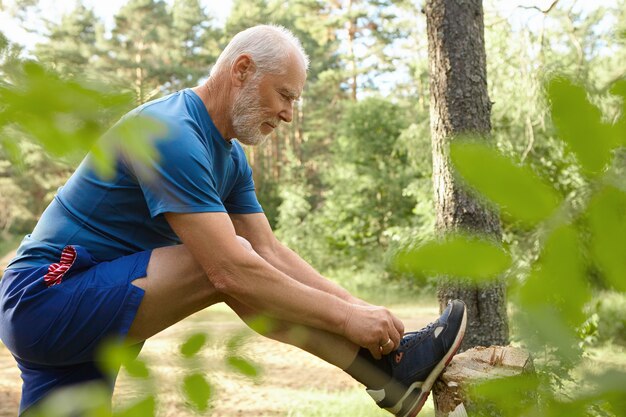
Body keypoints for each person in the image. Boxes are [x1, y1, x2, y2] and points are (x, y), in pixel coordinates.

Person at [0, 25, 467, 417]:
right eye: (284, 95)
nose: (288, 113)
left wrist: (369, 314)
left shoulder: (228, 155)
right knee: (226, 265)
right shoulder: (172, 133)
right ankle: (386, 377)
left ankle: (393, 365)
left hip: (81, 314)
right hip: (45, 298)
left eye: (295, 101)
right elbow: (229, 270)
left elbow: (270, 252)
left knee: (248, 264)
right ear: (242, 70)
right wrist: (347, 318)